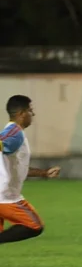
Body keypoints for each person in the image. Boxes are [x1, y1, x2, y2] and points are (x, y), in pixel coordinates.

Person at [0, 95, 60, 244]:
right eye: (30, 110)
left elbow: (19, 168)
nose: (33, 114)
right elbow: (2, 142)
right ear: (22, 113)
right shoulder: (14, 133)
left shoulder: (15, 133)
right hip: (5, 197)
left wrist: (43, 173)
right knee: (34, 225)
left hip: (4, 196)